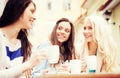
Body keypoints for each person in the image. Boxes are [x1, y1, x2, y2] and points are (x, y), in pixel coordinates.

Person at [0, 0, 47, 78]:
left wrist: (42, 75)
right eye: (31, 11)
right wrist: (28, 64)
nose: (34, 17)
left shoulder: (23, 44)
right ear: (19, 9)